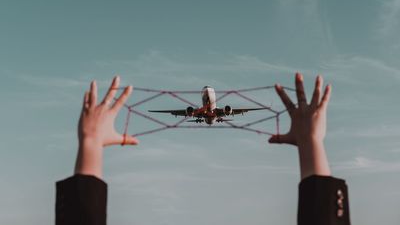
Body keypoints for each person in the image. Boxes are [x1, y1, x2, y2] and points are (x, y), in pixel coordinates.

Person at [55, 73, 351, 225]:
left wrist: (90, 143)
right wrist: (311, 142)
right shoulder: (199, 108)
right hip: (204, 117)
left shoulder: (219, 107)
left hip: (216, 116)